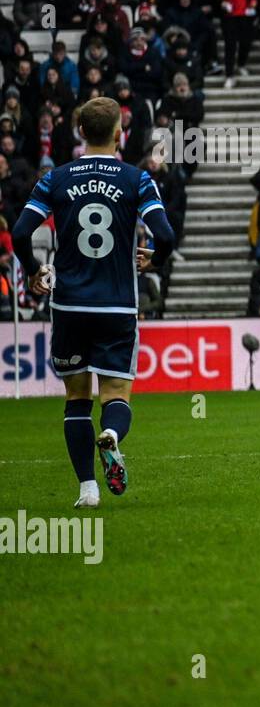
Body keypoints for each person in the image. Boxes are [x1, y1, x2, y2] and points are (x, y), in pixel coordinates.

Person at [11, 98, 176, 508]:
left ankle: (87, 489)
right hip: (117, 304)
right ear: (119, 133)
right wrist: (155, 256)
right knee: (116, 393)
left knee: (76, 398)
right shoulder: (137, 180)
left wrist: (33, 268)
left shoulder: (55, 179)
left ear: (80, 132)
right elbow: (167, 235)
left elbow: (18, 233)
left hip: (69, 305)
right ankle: (113, 435)